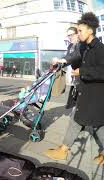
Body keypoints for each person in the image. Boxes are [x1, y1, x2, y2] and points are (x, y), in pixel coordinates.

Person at [44, 12, 104, 165]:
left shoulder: (100, 49)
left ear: (90, 30)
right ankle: (64, 150)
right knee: (97, 125)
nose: (78, 34)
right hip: (87, 92)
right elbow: (75, 56)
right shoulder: (84, 47)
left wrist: (82, 72)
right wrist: (63, 61)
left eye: (80, 31)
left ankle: (63, 151)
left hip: (96, 94)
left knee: (78, 119)